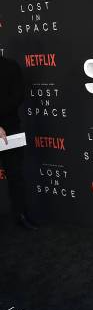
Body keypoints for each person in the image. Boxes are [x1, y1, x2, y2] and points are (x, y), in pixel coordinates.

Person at [0, 56, 37, 229]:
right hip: (5, 126)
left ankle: (21, 215)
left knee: (15, 175)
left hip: (11, 128)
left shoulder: (10, 66)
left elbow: (17, 96)